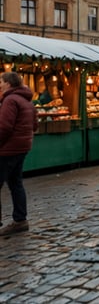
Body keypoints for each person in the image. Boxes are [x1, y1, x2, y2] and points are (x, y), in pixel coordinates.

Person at [0, 72, 38, 236]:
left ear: (8, 83)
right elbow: (35, 125)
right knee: (16, 184)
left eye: (0, 82)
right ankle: (20, 220)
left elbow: (5, 127)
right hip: (22, 148)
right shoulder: (27, 101)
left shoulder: (10, 100)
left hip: (7, 149)